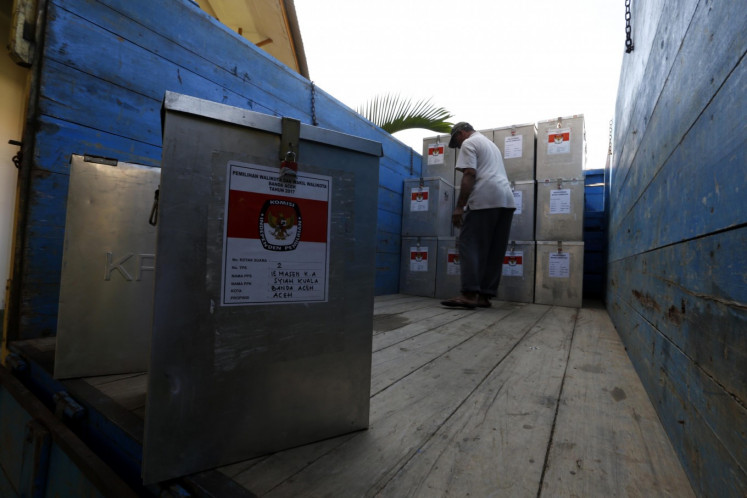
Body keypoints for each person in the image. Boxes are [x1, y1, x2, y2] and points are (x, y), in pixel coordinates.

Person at [441, 122, 515, 309]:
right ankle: (484, 296)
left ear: (461, 133)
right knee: (494, 250)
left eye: (456, 141)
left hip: (485, 198)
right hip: (506, 200)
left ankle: (469, 294)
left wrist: (459, 207)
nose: (458, 146)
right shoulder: (491, 145)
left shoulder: (469, 143)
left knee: (468, 244)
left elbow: (469, 173)